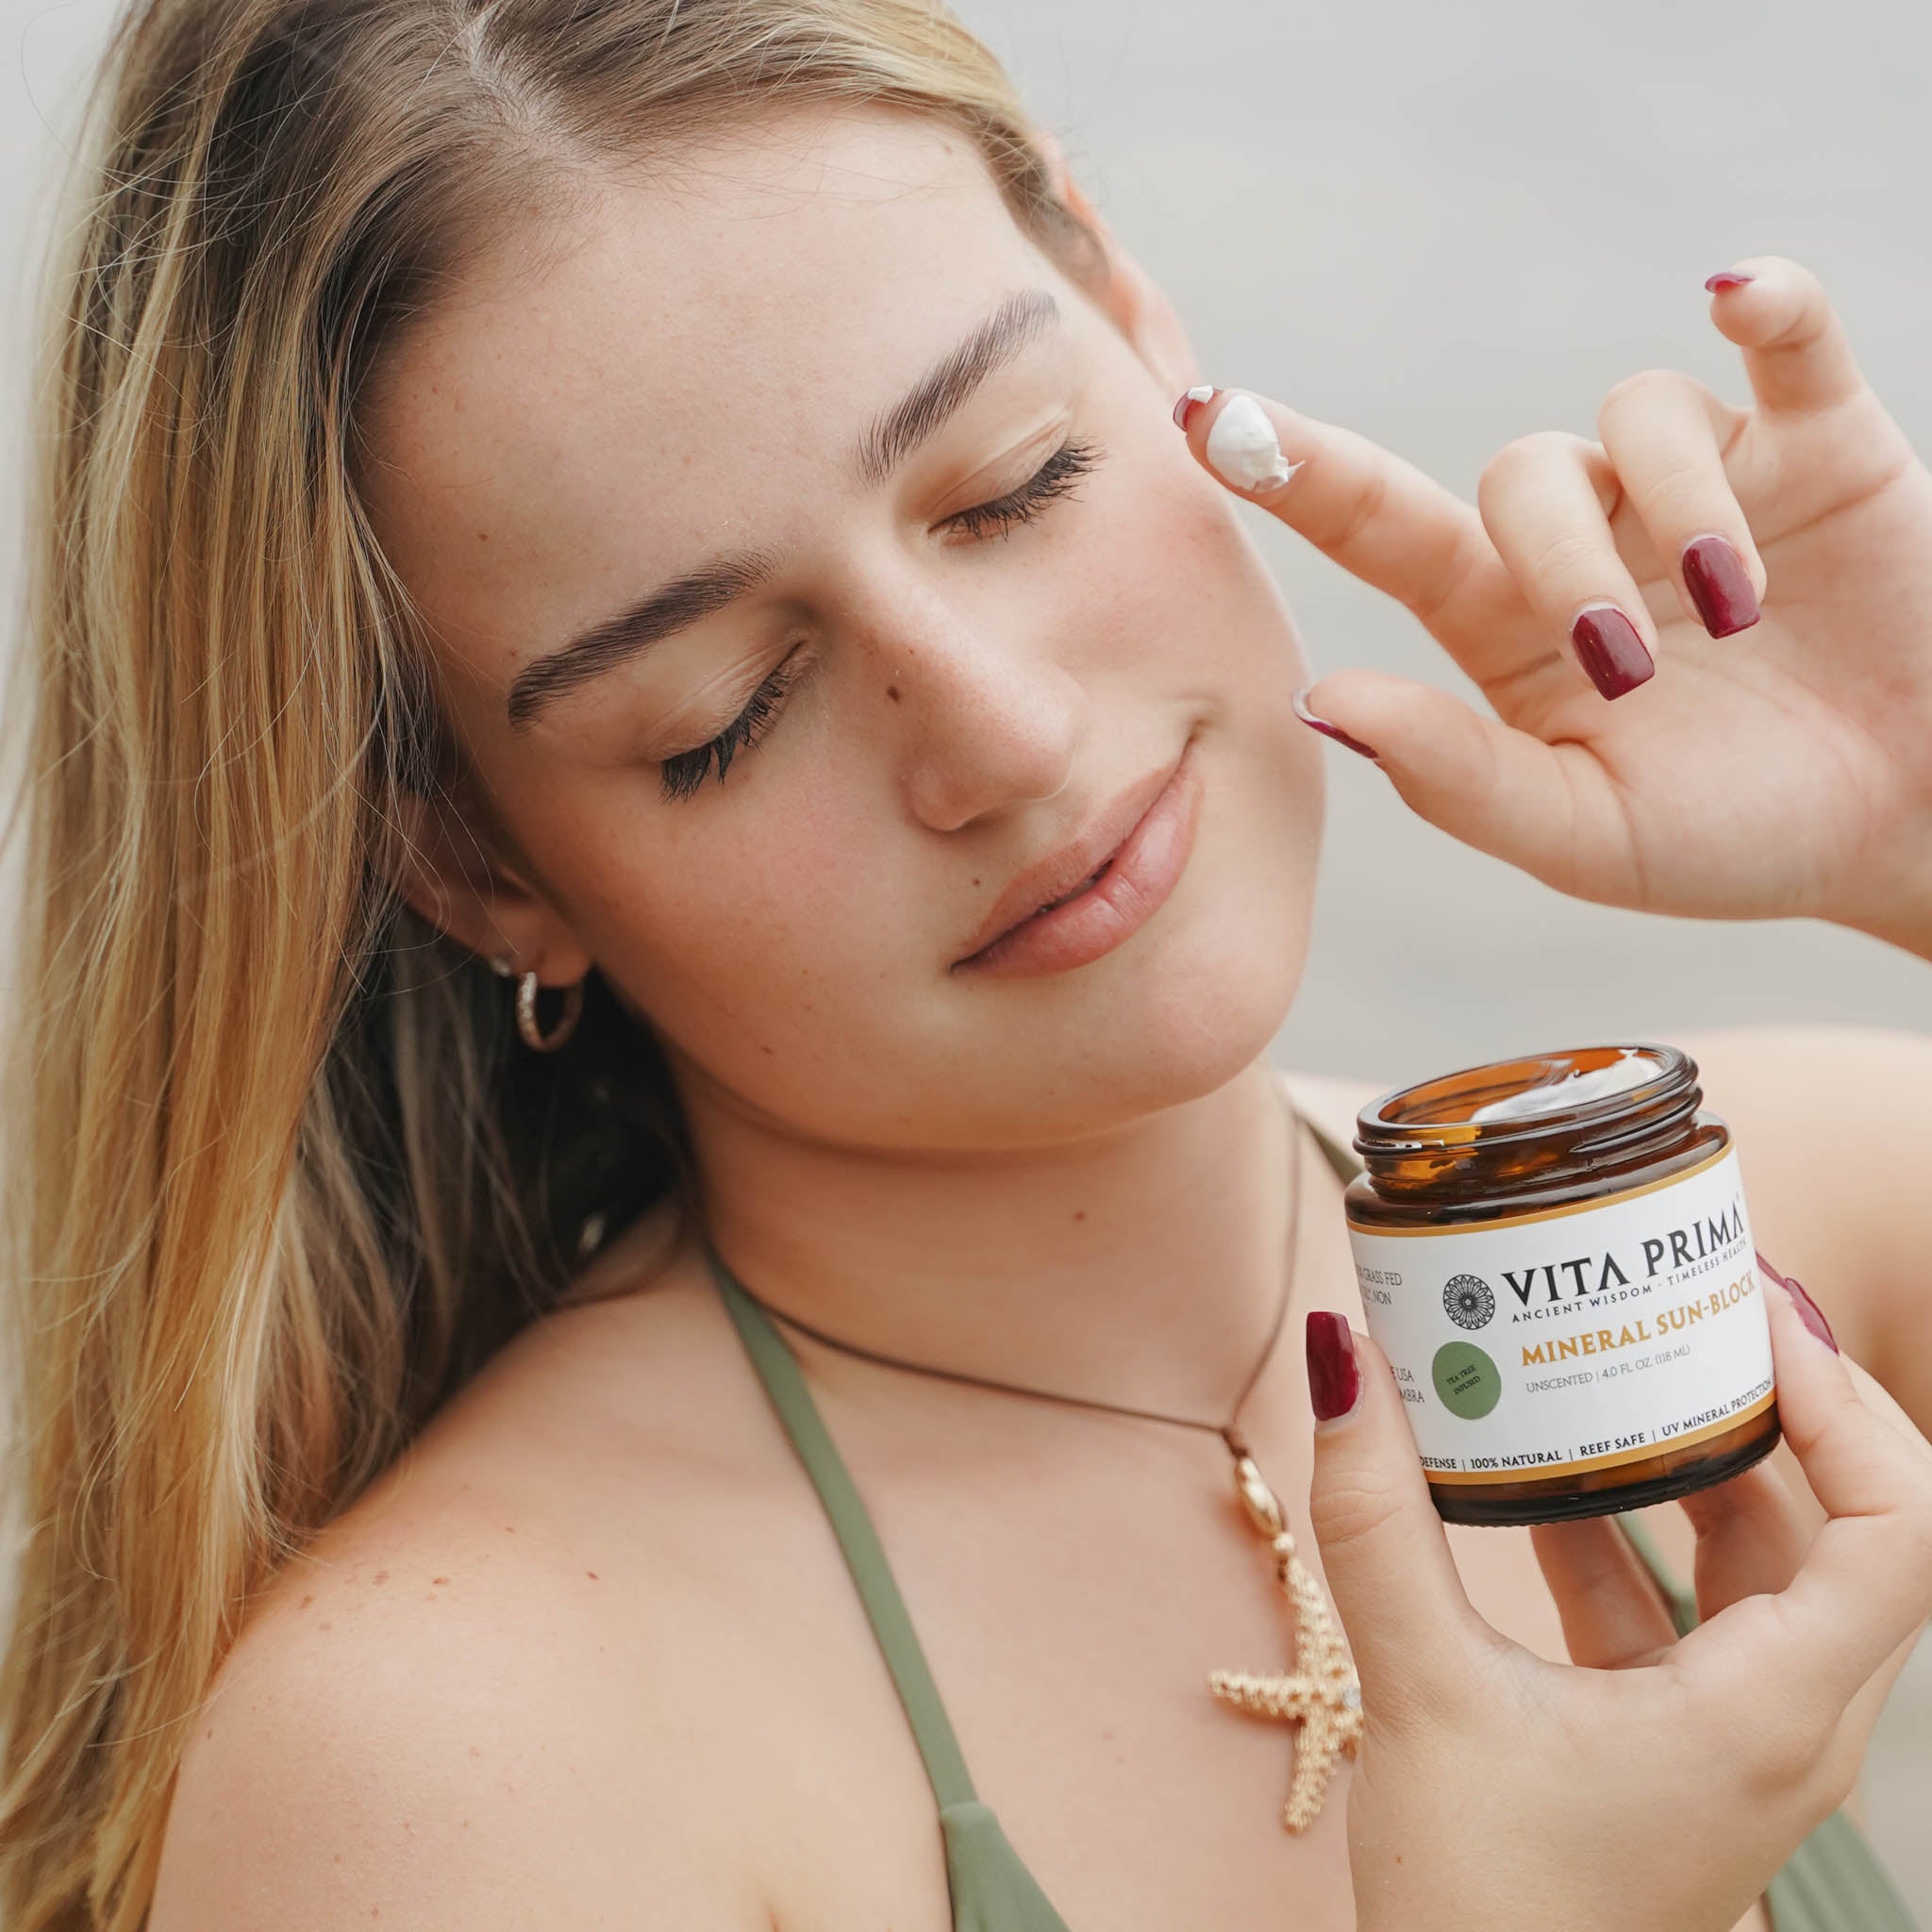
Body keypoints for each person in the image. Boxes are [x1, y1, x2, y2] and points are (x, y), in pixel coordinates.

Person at [2, 1, 1929, 1928]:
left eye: (1017, 480)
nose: (998, 733)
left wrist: (1906, 814)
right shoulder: (445, 1764)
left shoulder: (1752, 1241)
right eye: (724, 710)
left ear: (1133, 316)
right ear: (472, 857)